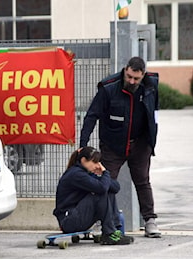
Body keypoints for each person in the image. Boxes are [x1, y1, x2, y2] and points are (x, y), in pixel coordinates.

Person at [79, 56, 161, 238]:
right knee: (104, 183)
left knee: (142, 181)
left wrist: (151, 142)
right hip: (112, 145)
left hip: (140, 144)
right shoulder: (108, 88)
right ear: (125, 70)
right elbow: (92, 116)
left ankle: (150, 221)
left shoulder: (151, 87)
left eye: (136, 79)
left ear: (143, 76)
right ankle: (101, 221)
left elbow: (154, 114)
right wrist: (83, 145)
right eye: (129, 76)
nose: (131, 81)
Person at [53, 146, 133, 245]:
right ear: (83, 160)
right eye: (94, 162)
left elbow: (115, 188)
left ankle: (114, 231)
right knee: (100, 193)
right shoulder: (76, 174)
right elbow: (102, 188)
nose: (97, 166)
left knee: (107, 190)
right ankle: (109, 233)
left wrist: (103, 175)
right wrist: (105, 173)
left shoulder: (86, 173)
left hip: (78, 216)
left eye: (98, 162)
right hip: (68, 221)